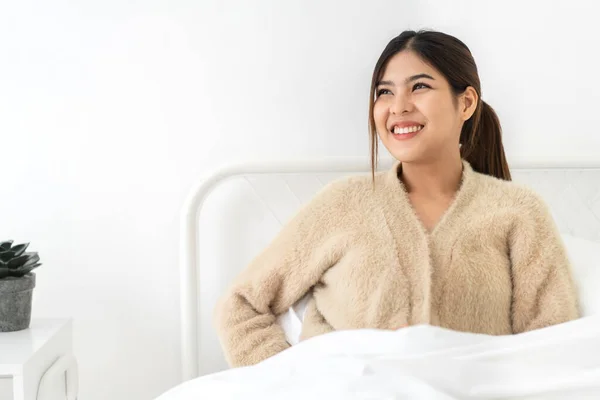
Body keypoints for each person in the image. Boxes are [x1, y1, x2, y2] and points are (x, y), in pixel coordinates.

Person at [214, 29, 580, 368]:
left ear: (466, 103)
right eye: (384, 92)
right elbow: (242, 306)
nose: (398, 106)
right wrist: (290, 382)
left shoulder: (518, 212)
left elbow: (551, 344)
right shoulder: (343, 204)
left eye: (419, 87)